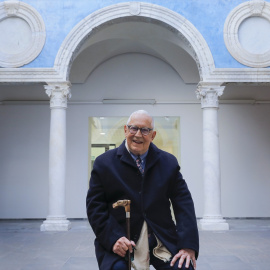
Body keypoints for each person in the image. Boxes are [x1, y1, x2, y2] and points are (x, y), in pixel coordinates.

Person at [86, 110, 199, 270]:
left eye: (145, 130)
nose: (138, 134)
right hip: (122, 238)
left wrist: (188, 245)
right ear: (125, 130)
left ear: (152, 135)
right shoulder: (104, 163)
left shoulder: (168, 162)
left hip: (161, 238)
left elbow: (184, 204)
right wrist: (113, 239)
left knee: (183, 267)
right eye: (133, 128)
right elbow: (95, 207)